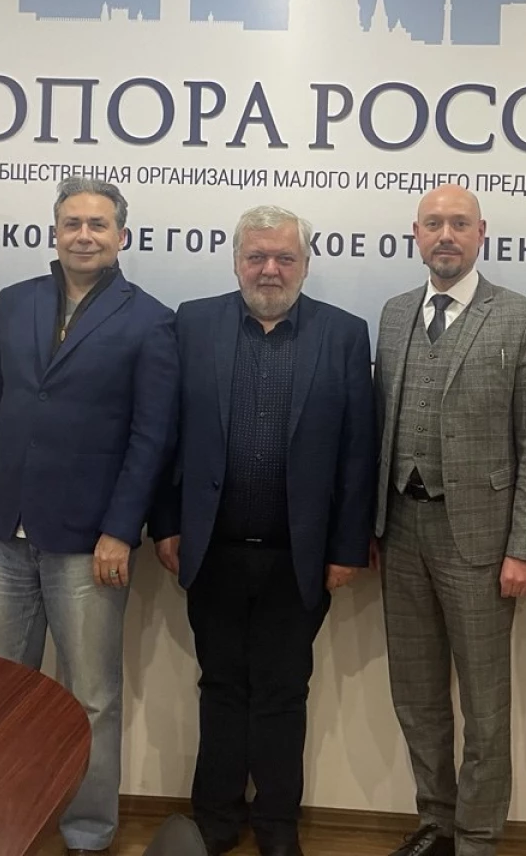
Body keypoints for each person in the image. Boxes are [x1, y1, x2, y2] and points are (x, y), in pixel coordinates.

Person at [0, 176, 178, 856]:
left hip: (89, 542)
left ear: (121, 237)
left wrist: (120, 530)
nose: (84, 235)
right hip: (6, 535)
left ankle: (87, 831)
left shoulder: (150, 320)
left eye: (98, 224)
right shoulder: (14, 303)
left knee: (91, 697)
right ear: (54, 232)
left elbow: (150, 439)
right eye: (72, 223)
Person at [152, 205, 377, 856]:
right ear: (236, 262)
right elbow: (167, 435)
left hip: (298, 555)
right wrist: (166, 525)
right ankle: (216, 820)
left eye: (284, 257)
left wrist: (346, 547)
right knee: (220, 686)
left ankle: (278, 826)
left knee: (282, 693)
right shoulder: (193, 323)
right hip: (210, 550)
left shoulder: (343, 334)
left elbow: (358, 452)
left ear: (305, 264)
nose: (270, 269)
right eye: (257, 257)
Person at [373, 184, 526, 856]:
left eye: (458, 223)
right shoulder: (395, 314)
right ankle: (436, 820)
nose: (445, 235)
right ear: (415, 234)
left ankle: (478, 836)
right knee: (415, 692)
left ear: (482, 232)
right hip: (401, 530)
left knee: (484, 702)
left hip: (480, 539)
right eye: (433, 224)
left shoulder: (523, 318)